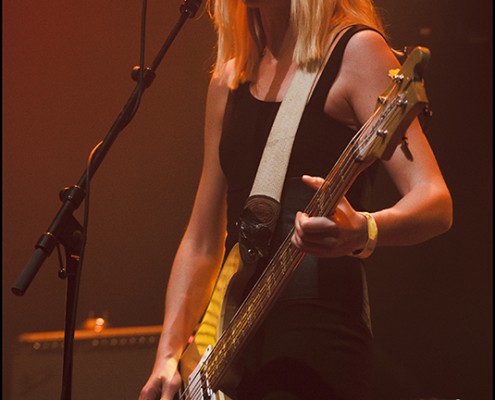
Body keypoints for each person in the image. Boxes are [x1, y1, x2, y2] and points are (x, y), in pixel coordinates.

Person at [139, 0, 453, 399]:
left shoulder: (357, 51)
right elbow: (202, 239)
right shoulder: (230, 77)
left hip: (317, 345)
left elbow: (435, 201)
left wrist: (363, 230)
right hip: (231, 344)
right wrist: (167, 355)